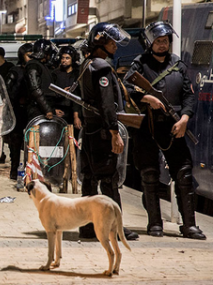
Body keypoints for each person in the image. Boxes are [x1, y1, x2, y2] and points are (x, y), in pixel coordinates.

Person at [124, 21, 206, 240]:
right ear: (151, 42)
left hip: (175, 125)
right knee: (149, 175)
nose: (163, 45)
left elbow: (189, 95)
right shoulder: (140, 64)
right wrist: (146, 98)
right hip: (148, 126)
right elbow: (127, 87)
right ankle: (155, 224)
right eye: (159, 41)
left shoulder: (177, 63)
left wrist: (185, 119)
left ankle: (189, 225)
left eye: (166, 41)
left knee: (184, 175)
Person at [78, 23, 138, 240]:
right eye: (111, 42)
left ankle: (87, 227)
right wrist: (114, 132)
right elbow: (106, 104)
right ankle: (115, 228)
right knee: (109, 179)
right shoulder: (102, 68)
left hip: (91, 130)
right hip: (103, 132)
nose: (115, 46)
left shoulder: (88, 64)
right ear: (100, 42)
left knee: (90, 179)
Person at [4, 43, 32, 179]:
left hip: (31, 110)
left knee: (31, 142)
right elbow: (7, 90)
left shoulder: (35, 69)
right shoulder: (16, 71)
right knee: (15, 142)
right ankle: (14, 170)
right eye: (29, 55)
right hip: (17, 110)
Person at [50, 45, 82, 130]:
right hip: (59, 111)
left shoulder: (77, 74)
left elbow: (78, 96)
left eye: (67, 58)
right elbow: (49, 94)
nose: (64, 60)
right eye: (62, 58)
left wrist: (76, 116)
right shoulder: (55, 74)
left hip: (73, 111)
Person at [24, 39, 54, 122]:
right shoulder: (33, 65)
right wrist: (47, 109)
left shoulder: (42, 66)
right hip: (37, 109)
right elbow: (35, 89)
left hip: (43, 107)